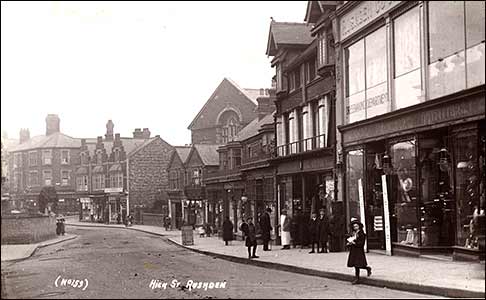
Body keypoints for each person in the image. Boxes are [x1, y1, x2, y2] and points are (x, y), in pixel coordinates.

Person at [347, 219, 372, 285]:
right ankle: (367, 269)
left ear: (359, 226)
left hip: (359, 251)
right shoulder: (354, 233)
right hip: (353, 250)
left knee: (357, 264)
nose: (355, 228)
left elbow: (361, 243)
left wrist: (354, 243)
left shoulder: (362, 234)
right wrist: (350, 243)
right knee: (356, 264)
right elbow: (351, 239)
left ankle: (357, 278)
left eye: (356, 226)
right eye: (354, 226)